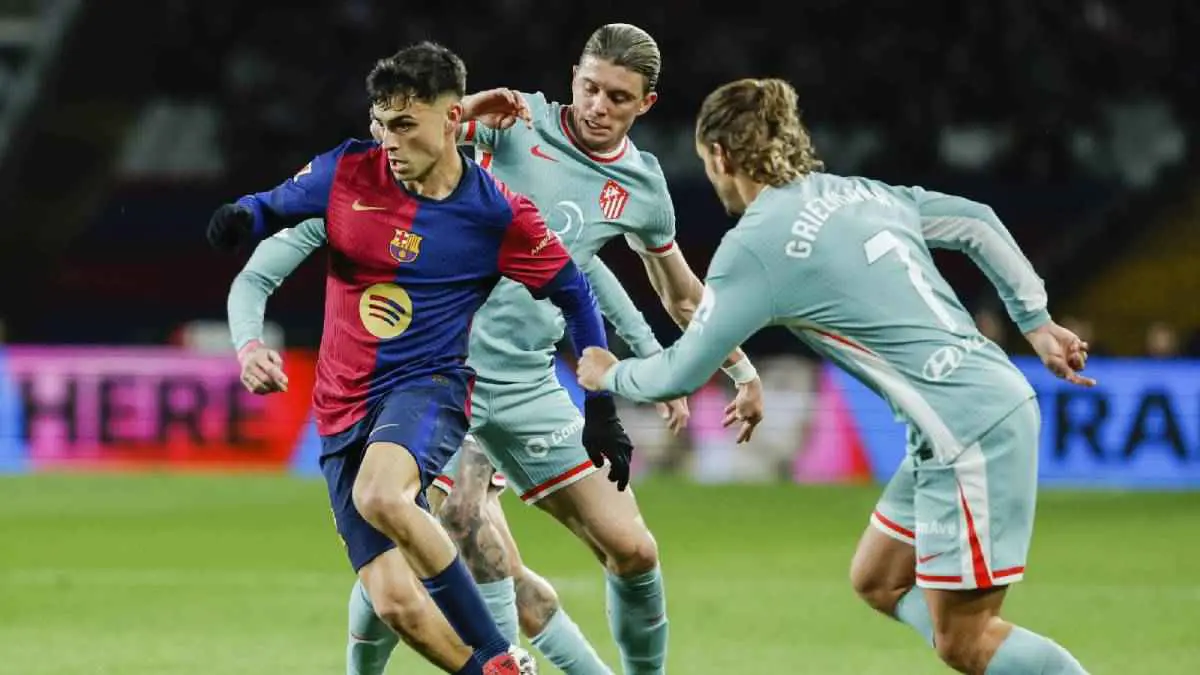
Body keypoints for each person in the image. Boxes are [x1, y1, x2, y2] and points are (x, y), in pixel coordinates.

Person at [576, 77, 1094, 675]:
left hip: (968, 430)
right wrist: (1036, 321)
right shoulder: (857, 192)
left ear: (719, 155)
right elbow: (976, 221)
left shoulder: (756, 246)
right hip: (967, 412)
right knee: (878, 578)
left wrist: (611, 373)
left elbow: (682, 370)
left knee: (965, 640)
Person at [347, 23, 767, 675]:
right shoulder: (516, 120)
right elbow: (397, 137)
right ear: (574, 76)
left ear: (646, 104)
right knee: (456, 522)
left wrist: (740, 370)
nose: (598, 106)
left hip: (528, 382)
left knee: (633, 550)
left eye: (618, 97)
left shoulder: (641, 187)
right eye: (590, 87)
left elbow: (682, 293)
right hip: (438, 369)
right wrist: (469, 106)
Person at [218, 41, 635, 675]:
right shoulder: (348, 171)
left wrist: (600, 405)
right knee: (395, 604)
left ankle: (499, 654)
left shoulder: (496, 213)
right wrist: (238, 218)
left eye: (405, 124)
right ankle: (490, 671)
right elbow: (269, 206)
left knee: (384, 495)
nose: (389, 140)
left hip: (427, 387)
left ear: (451, 120)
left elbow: (575, 294)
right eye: (381, 124)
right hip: (340, 408)